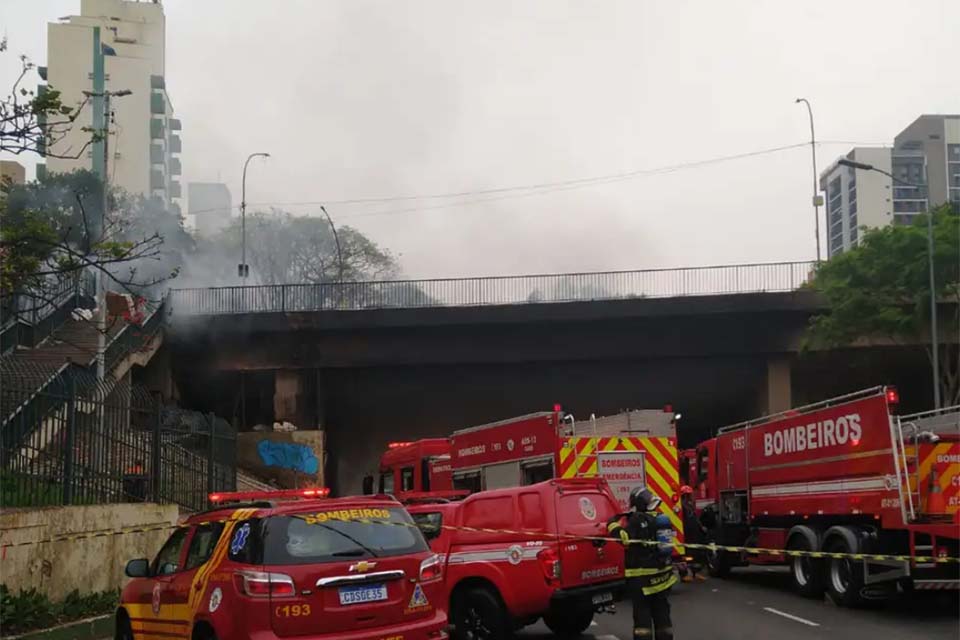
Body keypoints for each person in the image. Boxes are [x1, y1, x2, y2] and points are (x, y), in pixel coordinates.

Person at [608, 487, 677, 640]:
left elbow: (624, 538)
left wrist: (612, 524)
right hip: (662, 577)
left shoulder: (637, 520)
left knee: (642, 618)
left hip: (642, 580)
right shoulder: (660, 518)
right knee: (662, 614)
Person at [679, 485, 707, 583]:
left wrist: (701, 527)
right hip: (686, 533)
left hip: (694, 532)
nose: (691, 496)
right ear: (685, 495)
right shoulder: (681, 506)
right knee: (686, 554)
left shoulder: (690, 505)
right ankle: (684, 574)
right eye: (689, 494)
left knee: (696, 553)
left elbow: (695, 518)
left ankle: (696, 573)